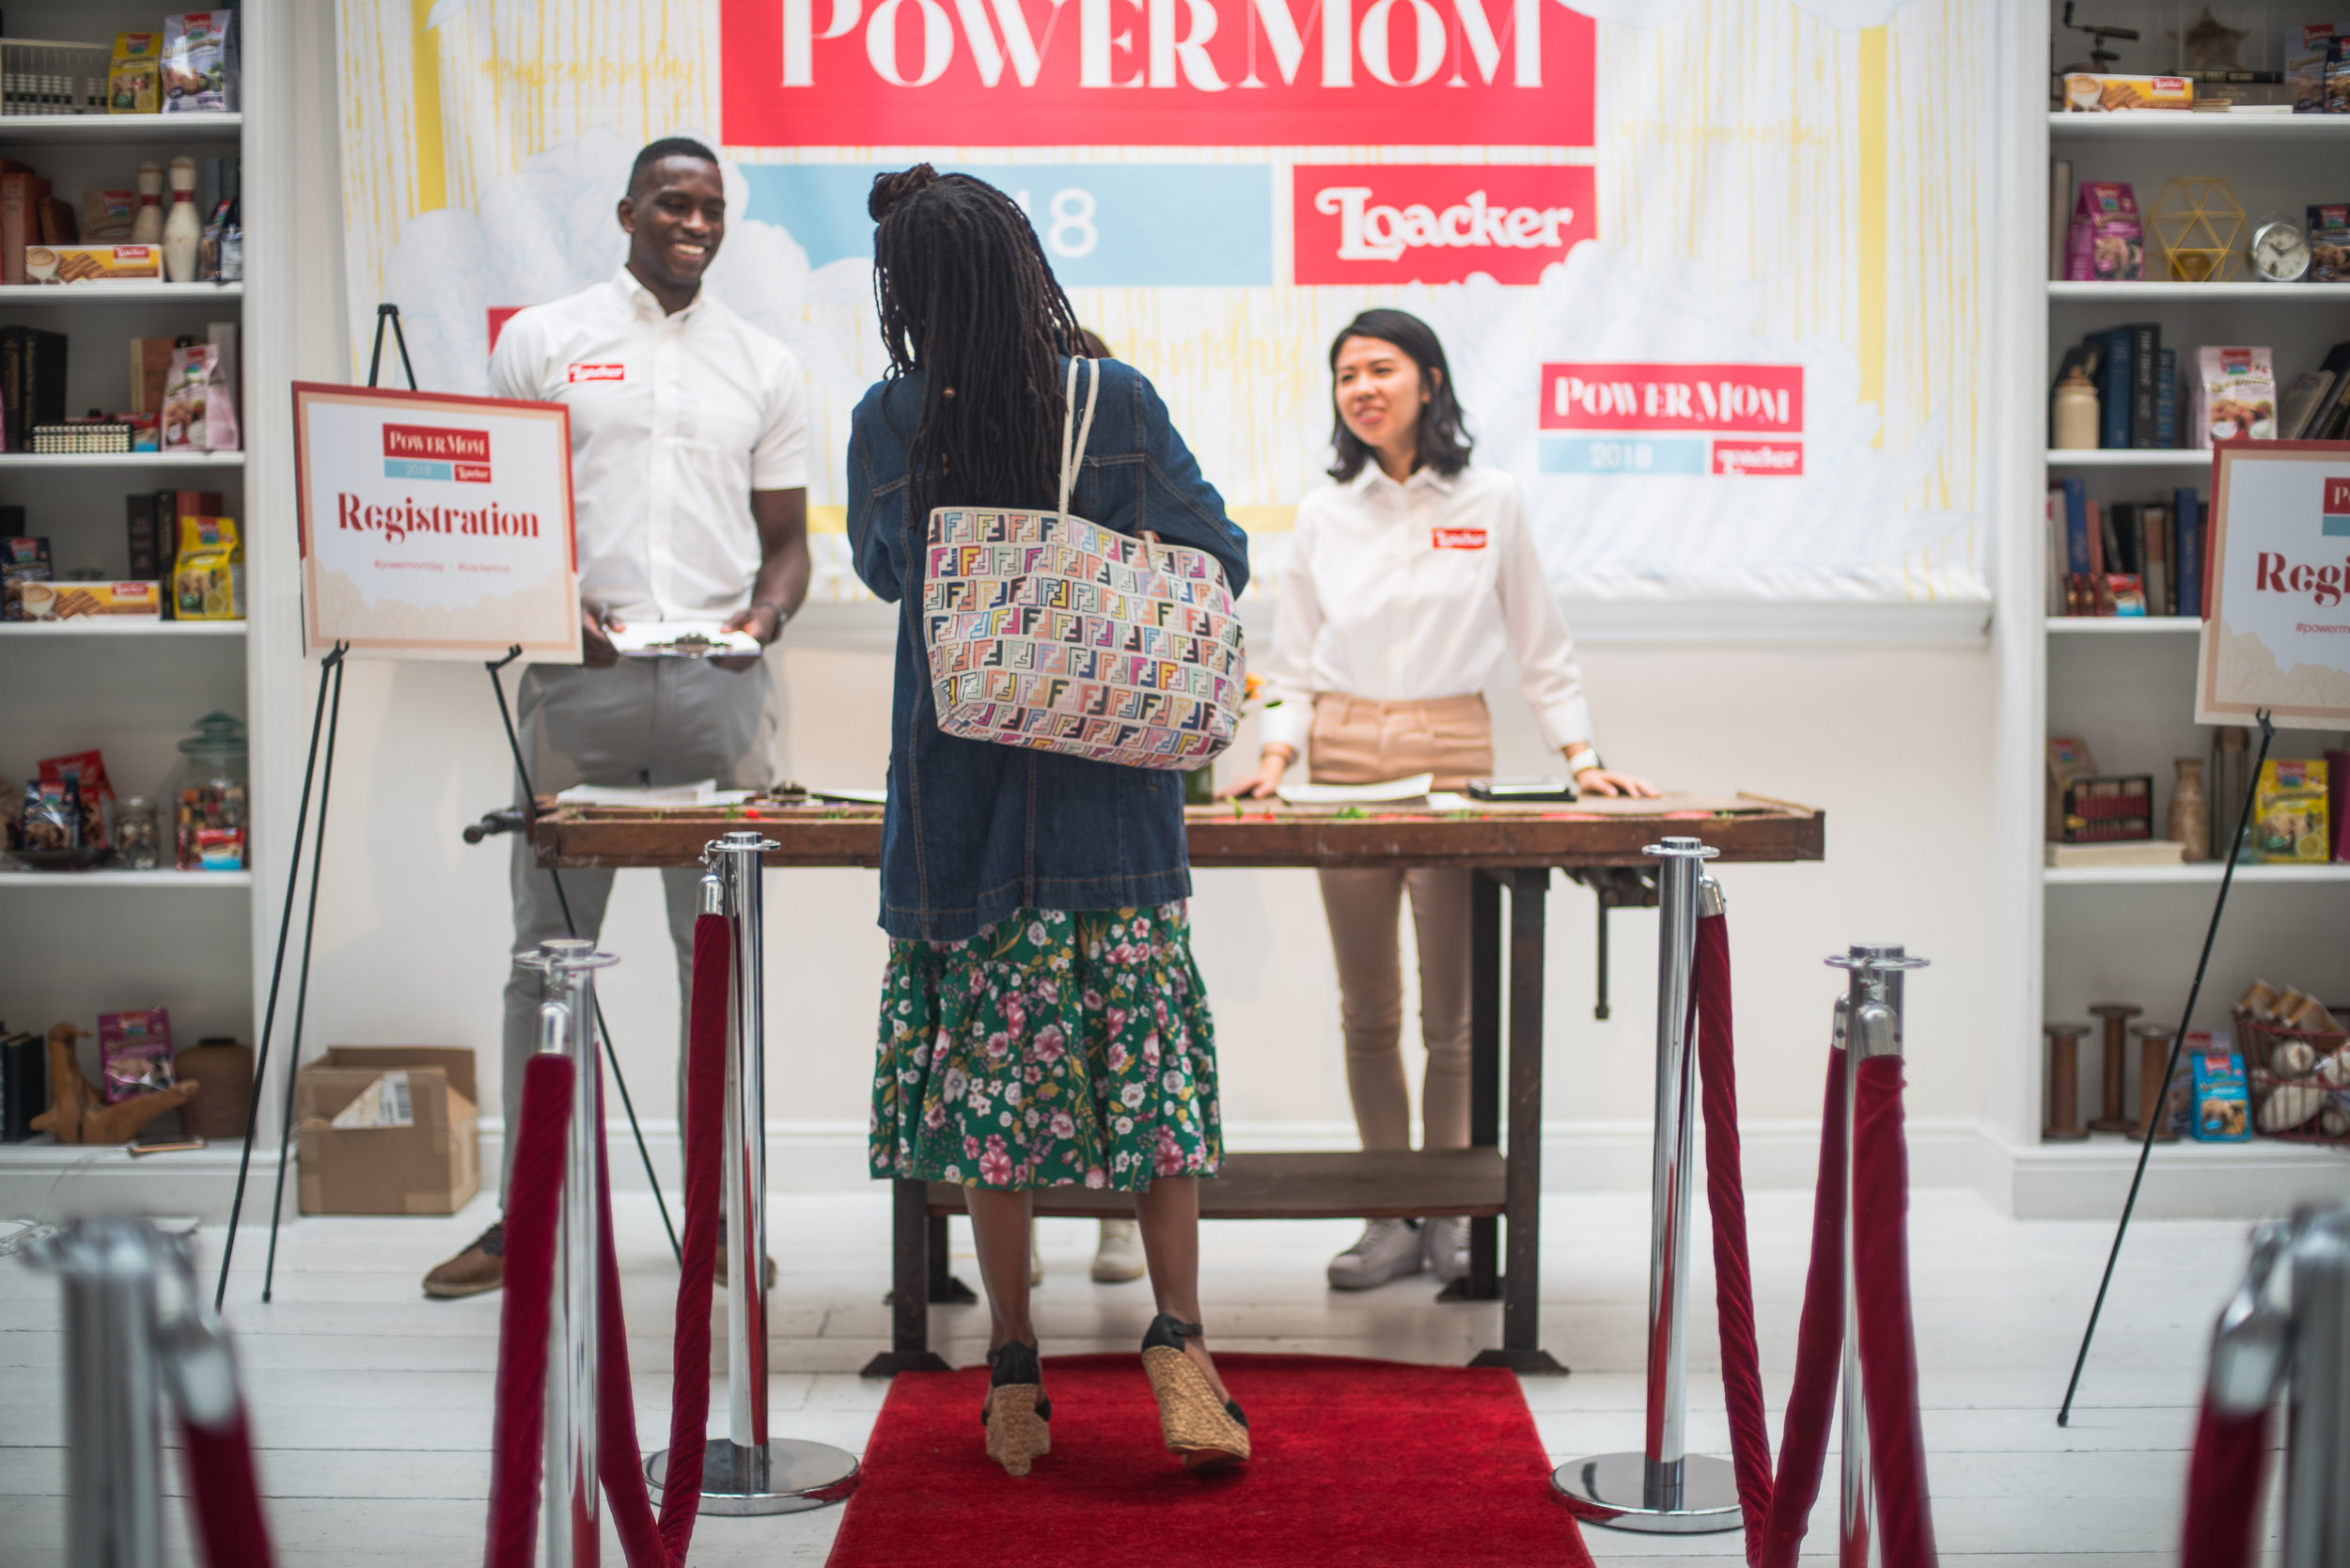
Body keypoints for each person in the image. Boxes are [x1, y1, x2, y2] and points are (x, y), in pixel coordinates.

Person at [851, 165, 1254, 1476]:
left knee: (990, 1102)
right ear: (1029, 270)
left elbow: (886, 572)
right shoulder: (1113, 400)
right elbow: (1219, 554)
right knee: (1151, 1086)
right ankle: (1180, 1342)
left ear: (906, 295)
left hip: (959, 814)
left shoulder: (890, 419)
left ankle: (1014, 1363)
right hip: (1111, 815)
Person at [423, 137, 811, 1298]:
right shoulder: (542, 342)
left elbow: (787, 546)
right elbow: (499, 513)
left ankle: (722, 1220)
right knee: (544, 959)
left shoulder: (763, 364)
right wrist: (551, 603)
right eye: (673, 203)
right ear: (627, 210)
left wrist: (761, 622)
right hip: (576, 683)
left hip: (718, 695)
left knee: (719, 964)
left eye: (712, 208)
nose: (695, 224)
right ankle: (528, 1218)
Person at [1225, 308, 1655, 1292]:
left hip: (1453, 752)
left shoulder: (1491, 500)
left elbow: (1542, 645)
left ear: (1428, 380)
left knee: (1453, 1016)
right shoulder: (1323, 512)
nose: (1362, 389)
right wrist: (1275, 756)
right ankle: (1390, 1217)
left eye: (1380, 369)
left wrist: (1582, 757)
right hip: (1341, 759)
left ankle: (1454, 1220)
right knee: (1367, 1009)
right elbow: (1291, 661)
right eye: (1346, 376)